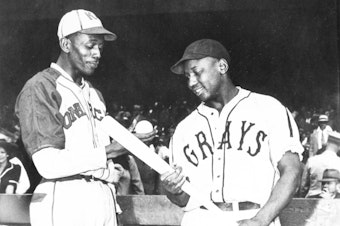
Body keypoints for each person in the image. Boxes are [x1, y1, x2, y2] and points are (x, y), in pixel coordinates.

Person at [15, 9, 155, 226]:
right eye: (90, 45)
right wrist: (116, 148)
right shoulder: (41, 87)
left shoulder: (94, 94)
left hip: (103, 195)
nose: (97, 53)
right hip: (65, 197)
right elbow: (47, 163)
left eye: (100, 46)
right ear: (66, 45)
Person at [160, 39, 303, 226]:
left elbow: (292, 170)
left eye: (196, 72)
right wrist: (175, 190)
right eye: (187, 76)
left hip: (254, 216)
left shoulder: (268, 108)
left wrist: (261, 220)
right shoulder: (184, 129)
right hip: (200, 218)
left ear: (221, 66)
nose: (191, 82)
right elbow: (183, 200)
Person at [299, 131, 340, 198]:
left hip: (310, 202)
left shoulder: (312, 160)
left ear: (327, 143)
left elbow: (303, 187)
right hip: (334, 202)